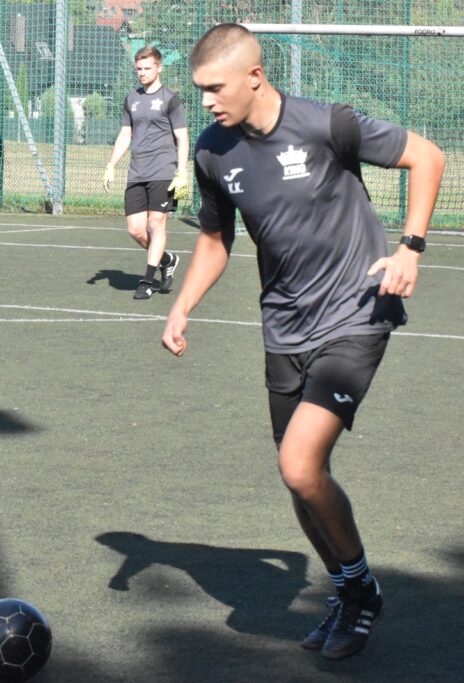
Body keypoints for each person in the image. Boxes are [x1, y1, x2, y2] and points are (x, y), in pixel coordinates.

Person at [162, 24, 444, 661]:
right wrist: (183, 305)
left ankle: (361, 589)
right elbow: (214, 241)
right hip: (284, 329)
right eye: (200, 89)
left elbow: (427, 157)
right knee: (302, 480)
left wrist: (410, 248)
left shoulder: (325, 124)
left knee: (298, 464)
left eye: (215, 88)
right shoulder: (212, 152)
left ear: (254, 76)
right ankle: (347, 591)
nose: (205, 101)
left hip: (356, 315)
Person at [102, 46, 189, 300]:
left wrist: (182, 172)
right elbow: (125, 134)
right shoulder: (131, 98)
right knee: (136, 230)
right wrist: (111, 165)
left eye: (147, 68)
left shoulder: (171, 99)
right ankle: (167, 260)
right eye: (138, 69)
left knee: (155, 224)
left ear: (159, 67)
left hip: (163, 170)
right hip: (137, 172)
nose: (142, 73)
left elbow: (182, 137)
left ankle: (147, 282)